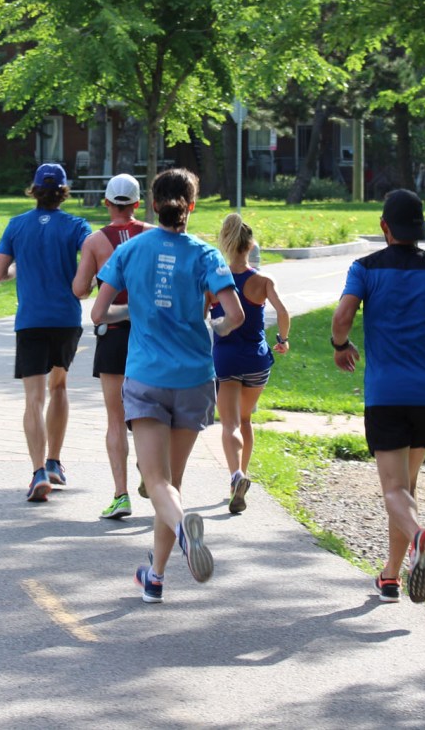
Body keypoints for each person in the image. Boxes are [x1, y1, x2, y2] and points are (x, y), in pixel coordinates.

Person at [92, 168, 245, 604]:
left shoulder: (130, 250)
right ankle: (154, 578)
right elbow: (233, 317)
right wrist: (213, 322)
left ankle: (182, 532)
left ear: (154, 204)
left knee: (156, 482)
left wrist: (134, 312)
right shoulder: (206, 255)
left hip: (146, 379)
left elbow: (99, 314)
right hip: (194, 379)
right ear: (192, 206)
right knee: (171, 484)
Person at [331, 188, 425, 604]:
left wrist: (339, 345)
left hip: (386, 395)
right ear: (420, 230)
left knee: (393, 490)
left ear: (385, 228)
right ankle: (391, 577)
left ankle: (418, 539)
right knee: (407, 489)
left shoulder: (364, 269)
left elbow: (343, 317)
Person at [0, 163, 93, 503]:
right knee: (59, 386)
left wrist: (19, 268)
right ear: (64, 191)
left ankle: (36, 472)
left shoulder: (17, 225)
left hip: (30, 320)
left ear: (33, 189)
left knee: (33, 398)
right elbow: (92, 264)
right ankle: (54, 463)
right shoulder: (77, 225)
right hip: (65, 318)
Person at [72, 173, 151, 520]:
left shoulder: (95, 242)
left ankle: (121, 495)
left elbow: (79, 290)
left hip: (113, 333)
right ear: (138, 203)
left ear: (106, 202)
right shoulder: (152, 235)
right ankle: (151, 473)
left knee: (116, 419)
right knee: (150, 414)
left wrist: (93, 277)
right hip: (151, 336)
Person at [209, 213, 291, 514]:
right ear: (250, 245)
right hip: (257, 360)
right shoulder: (263, 281)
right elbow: (283, 311)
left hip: (226, 359)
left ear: (227, 245)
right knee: (246, 420)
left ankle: (235, 478)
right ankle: (244, 473)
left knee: (228, 423)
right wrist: (282, 339)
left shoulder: (215, 280)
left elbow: (199, 314)